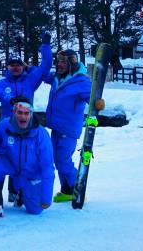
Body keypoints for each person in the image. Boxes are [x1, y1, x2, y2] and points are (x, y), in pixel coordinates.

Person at [0, 32, 52, 202]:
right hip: (8, 129)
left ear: (23, 67)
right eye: (12, 65)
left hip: (27, 127)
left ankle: (22, 191)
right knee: (7, 157)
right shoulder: (1, 84)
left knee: (24, 158)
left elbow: (45, 67)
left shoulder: (29, 81)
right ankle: (5, 193)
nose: (15, 68)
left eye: (18, 65)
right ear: (7, 67)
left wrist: (45, 46)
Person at [43, 49, 102, 203]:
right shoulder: (58, 77)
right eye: (58, 61)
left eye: (63, 62)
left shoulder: (81, 81)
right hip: (56, 127)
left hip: (68, 129)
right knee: (57, 159)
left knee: (63, 160)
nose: (59, 65)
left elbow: (91, 97)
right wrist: (28, 69)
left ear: (71, 63)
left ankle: (78, 186)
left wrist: (96, 103)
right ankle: (67, 190)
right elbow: (43, 74)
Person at [0, 97, 54, 219]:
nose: (23, 117)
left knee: (35, 210)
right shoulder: (5, 125)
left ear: (31, 115)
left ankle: (22, 193)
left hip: (30, 173)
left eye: (26, 113)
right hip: (11, 164)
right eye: (20, 113)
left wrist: (46, 197)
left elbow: (48, 167)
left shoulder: (41, 134)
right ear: (14, 113)